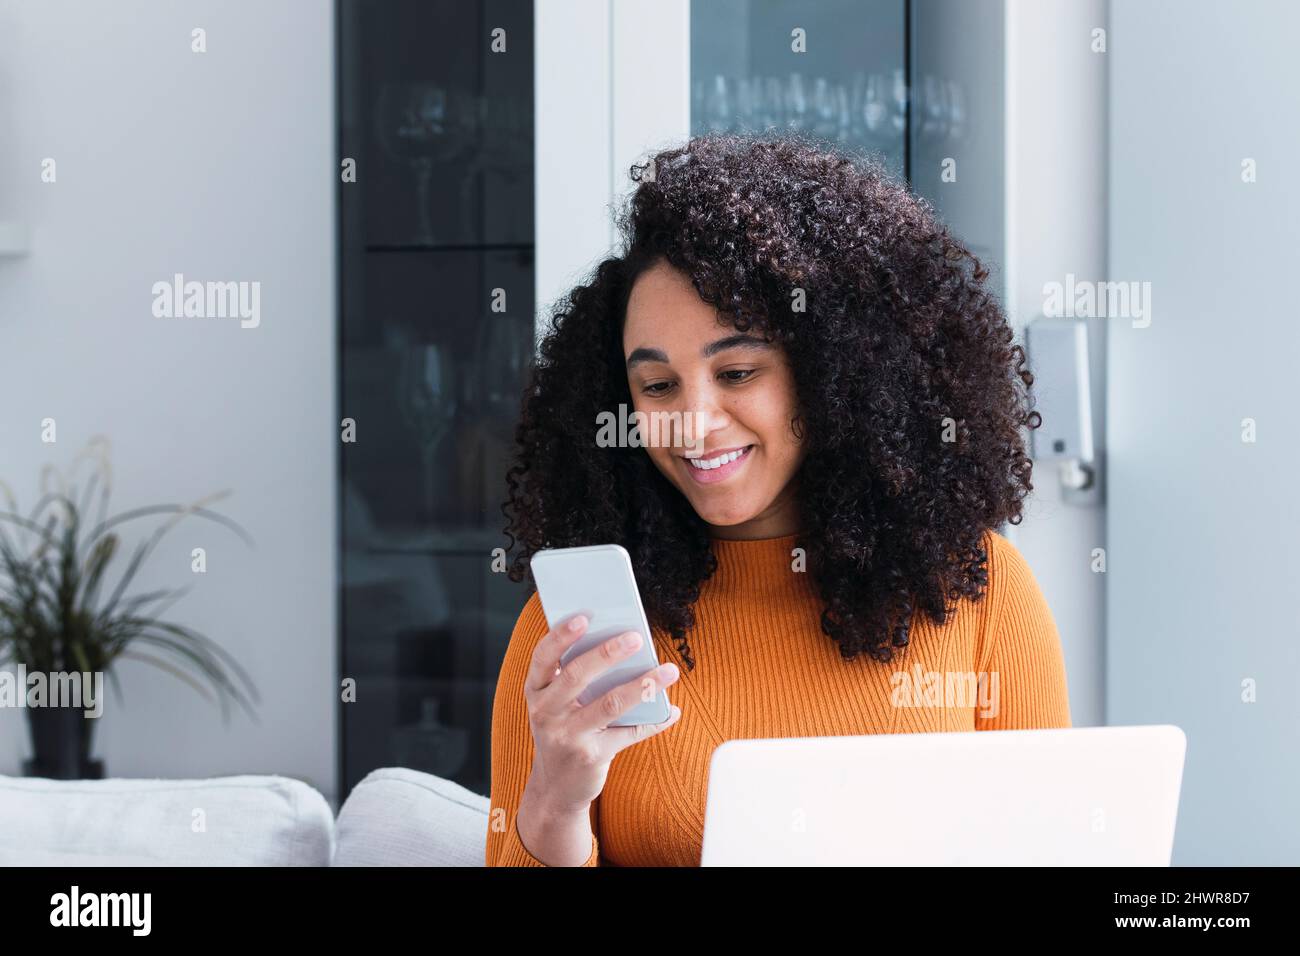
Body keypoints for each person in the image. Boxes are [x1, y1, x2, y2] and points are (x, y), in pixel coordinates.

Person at [486, 133, 1070, 867]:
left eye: (736, 372)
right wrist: (555, 804)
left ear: (832, 374)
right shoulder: (573, 638)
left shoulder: (981, 593)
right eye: (658, 386)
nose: (692, 423)